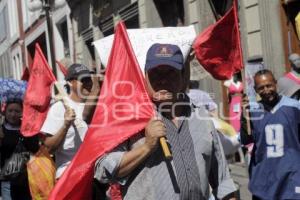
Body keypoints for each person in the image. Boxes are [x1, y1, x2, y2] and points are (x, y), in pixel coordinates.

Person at [94, 43, 237, 200]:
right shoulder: (129, 117)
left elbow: (222, 181)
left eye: (170, 73)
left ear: (183, 77)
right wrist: (146, 147)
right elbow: (102, 170)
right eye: (156, 73)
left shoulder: (202, 117)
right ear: (145, 76)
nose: (163, 80)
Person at [240, 69, 300, 199]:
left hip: (291, 176)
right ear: (255, 90)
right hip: (265, 179)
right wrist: (244, 118)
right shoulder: (252, 111)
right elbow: (246, 140)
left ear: (275, 83)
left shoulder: (295, 107)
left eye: (269, 85)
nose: (266, 90)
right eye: (261, 88)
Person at [40, 63, 93, 179]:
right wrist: (65, 125)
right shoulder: (59, 108)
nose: (88, 83)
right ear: (70, 82)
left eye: (89, 79)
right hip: (68, 176)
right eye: (83, 80)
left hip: (94, 176)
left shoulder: (96, 107)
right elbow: (48, 148)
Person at [0, 98, 39, 200]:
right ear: (5, 111)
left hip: (27, 179)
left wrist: (28, 132)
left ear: (22, 112)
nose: (13, 114)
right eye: (10, 111)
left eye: (17, 111)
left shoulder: (27, 129)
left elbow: (34, 149)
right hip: (7, 179)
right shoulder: (1, 129)